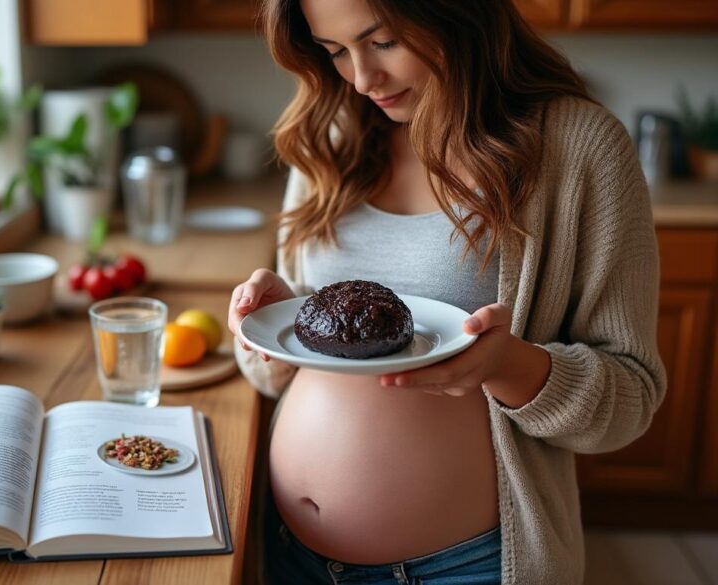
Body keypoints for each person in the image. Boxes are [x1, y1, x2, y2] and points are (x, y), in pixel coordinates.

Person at [228, 0, 666, 583]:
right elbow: (275, 371)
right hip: (291, 554)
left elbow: (630, 398)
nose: (362, 78)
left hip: (466, 567)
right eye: (335, 51)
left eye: (381, 42)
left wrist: (510, 366)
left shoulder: (579, 148)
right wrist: (274, 321)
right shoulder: (329, 135)